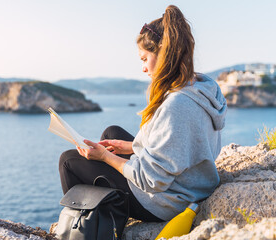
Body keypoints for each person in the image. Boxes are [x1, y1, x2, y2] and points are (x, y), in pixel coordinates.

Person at [58, 5, 227, 222]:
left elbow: (150, 181)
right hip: (193, 181)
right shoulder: (203, 86)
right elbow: (181, 145)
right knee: (112, 133)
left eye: (144, 59)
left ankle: (90, 227)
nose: (143, 68)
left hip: (171, 200)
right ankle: (103, 213)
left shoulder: (177, 105)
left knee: (68, 162)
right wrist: (130, 147)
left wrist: (105, 157)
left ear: (164, 55)